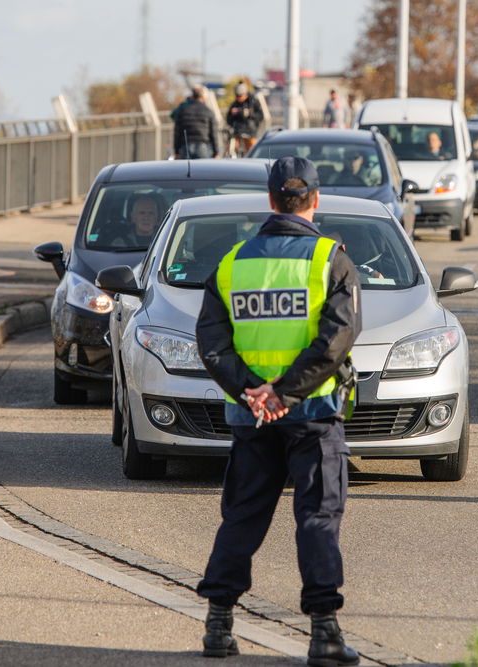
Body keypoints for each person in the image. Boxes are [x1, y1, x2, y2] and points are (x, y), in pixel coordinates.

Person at [194, 156, 362, 664]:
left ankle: (218, 627)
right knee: (317, 518)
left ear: (270, 200)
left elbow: (211, 340)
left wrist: (252, 392)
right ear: (315, 200)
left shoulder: (232, 262)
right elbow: (337, 340)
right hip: (312, 415)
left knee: (242, 517)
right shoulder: (331, 259)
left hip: (251, 418)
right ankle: (324, 635)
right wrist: (285, 393)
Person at [174, 86, 219, 159]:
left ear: (192, 96)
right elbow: (213, 133)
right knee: (202, 170)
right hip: (203, 146)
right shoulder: (208, 111)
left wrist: (176, 151)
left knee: (186, 169)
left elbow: (177, 132)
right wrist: (216, 152)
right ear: (203, 97)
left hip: (185, 146)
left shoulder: (182, 111)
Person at [226, 82, 264, 156]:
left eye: (240, 96)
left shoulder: (253, 102)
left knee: (253, 152)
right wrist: (232, 114)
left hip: (250, 132)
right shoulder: (234, 104)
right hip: (236, 132)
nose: (238, 98)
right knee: (230, 150)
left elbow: (260, 116)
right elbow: (228, 119)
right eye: (237, 96)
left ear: (245, 94)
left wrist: (248, 113)